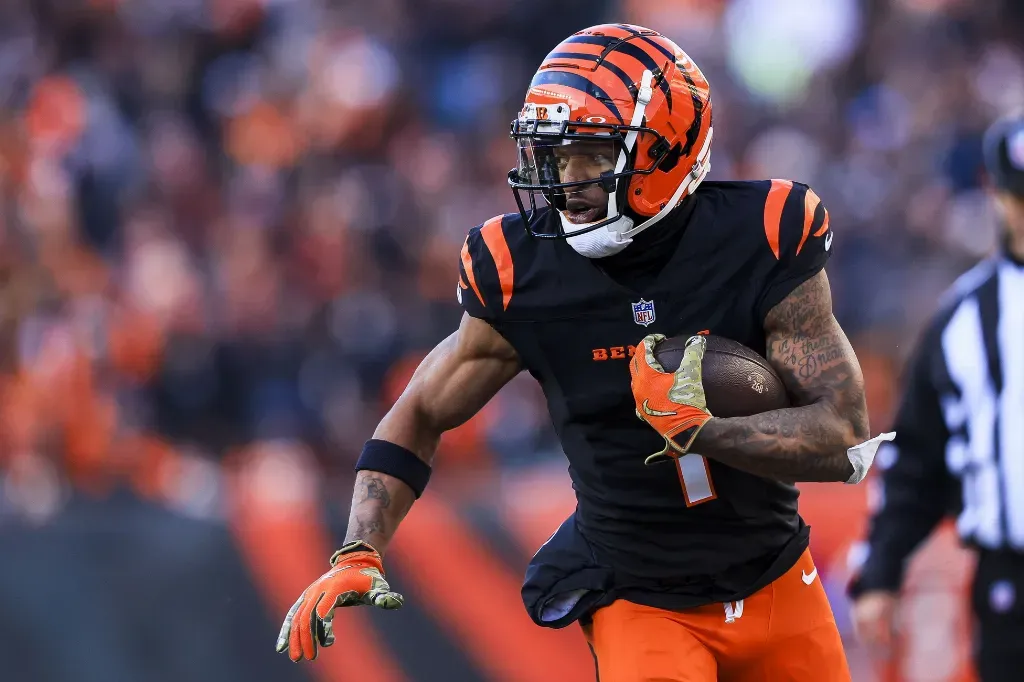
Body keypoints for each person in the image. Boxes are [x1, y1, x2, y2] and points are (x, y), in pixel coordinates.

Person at [276, 23, 894, 681]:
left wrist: (707, 431)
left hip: (776, 578)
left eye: (590, 156)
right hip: (642, 597)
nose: (566, 181)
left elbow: (845, 434)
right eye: (555, 156)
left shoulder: (762, 234)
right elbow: (423, 411)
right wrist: (358, 551)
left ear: (668, 150)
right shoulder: (524, 269)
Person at [849, 115, 1024, 682]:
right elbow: (916, 456)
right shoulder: (963, 318)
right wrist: (881, 570)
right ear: (995, 193)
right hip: (1011, 583)